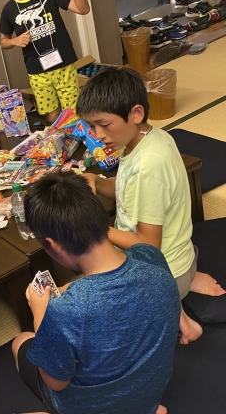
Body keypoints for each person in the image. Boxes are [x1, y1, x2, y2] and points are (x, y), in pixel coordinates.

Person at [76, 66, 225, 344]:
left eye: (104, 125)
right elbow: (126, 192)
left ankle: (177, 307)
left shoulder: (148, 167)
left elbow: (148, 245)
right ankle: (183, 284)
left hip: (161, 272)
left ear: (136, 113)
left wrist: (94, 229)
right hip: (177, 257)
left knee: (91, 309)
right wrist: (95, 181)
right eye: (92, 126)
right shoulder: (150, 138)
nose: (97, 135)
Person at [12, 172, 180, 414]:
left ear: (53, 245)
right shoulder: (151, 257)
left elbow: (56, 382)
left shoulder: (64, 312)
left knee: (20, 342)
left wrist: (40, 313)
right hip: (150, 393)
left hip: (91, 407)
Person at [0, 0, 90, 122]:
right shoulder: (9, 10)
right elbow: (3, 41)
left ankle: (76, 137)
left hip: (64, 65)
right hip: (38, 72)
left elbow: (83, 9)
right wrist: (15, 40)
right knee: (51, 114)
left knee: (73, 113)